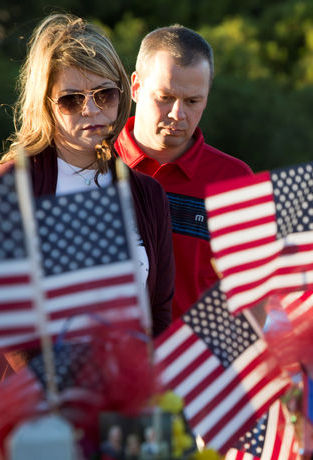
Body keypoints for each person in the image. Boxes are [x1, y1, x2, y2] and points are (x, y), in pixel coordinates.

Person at [0, 14, 174, 400]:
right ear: (46, 103)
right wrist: (65, 394)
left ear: (122, 93)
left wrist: (134, 391)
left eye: (104, 94)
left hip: (118, 410)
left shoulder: (147, 195)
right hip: (22, 408)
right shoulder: (13, 186)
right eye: (72, 99)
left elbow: (158, 313)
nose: (91, 110)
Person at [115, 25, 252, 318]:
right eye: (165, 97)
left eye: (192, 101)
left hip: (194, 359)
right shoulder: (89, 160)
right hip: (98, 358)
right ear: (136, 87)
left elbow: (253, 297)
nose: (178, 115)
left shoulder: (235, 179)